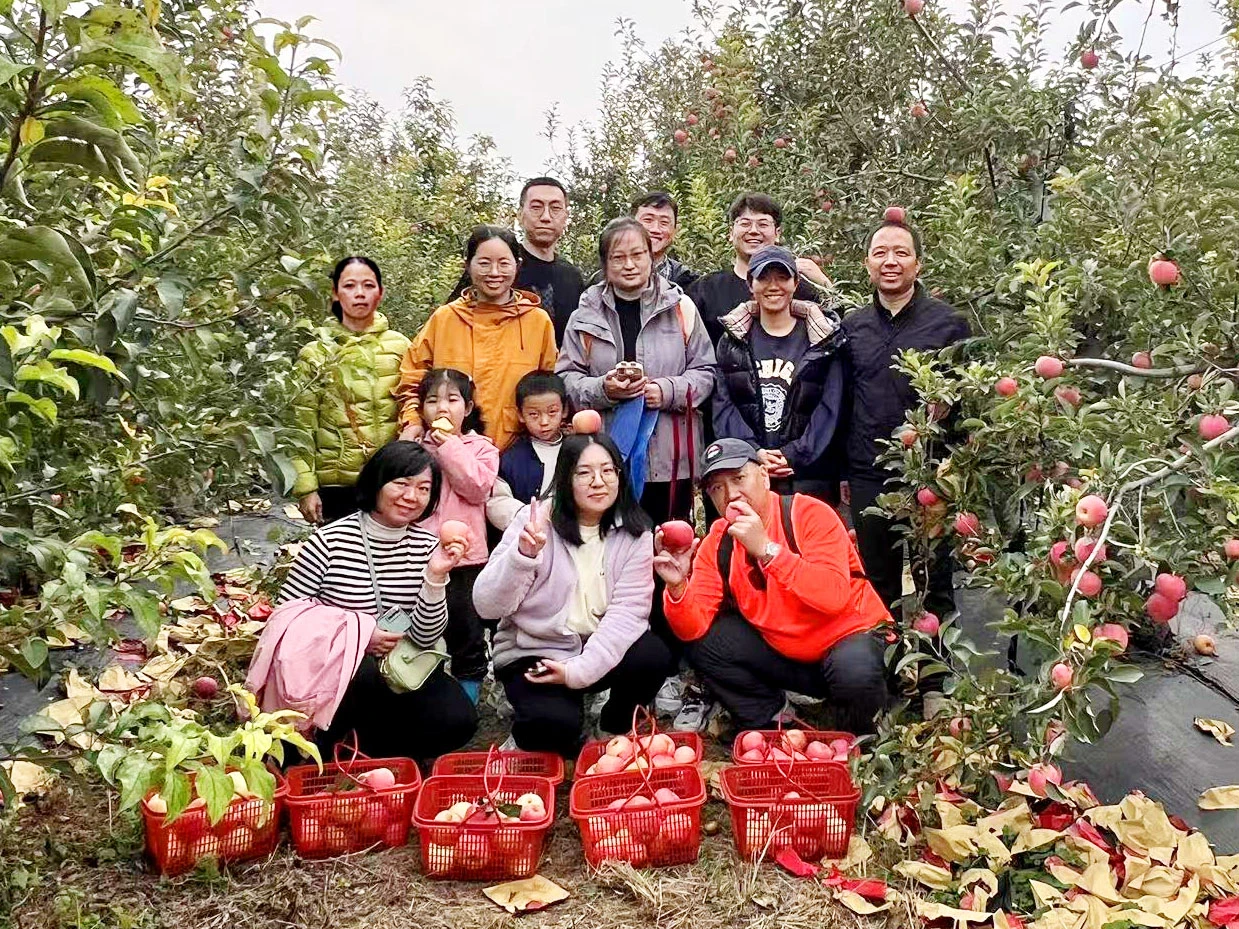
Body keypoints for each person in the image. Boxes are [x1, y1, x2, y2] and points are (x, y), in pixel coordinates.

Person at [652, 438, 891, 735]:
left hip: (848, 638)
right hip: (789, 654)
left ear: (764, 476)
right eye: (717, 487)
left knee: (854, 672)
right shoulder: (719, 539)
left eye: (739, 478)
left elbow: (834, 597)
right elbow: (693, 628)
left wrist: (767, 550)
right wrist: (677, 588)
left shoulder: (808, 514)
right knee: (707, 643)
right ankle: (771, 718)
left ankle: (861, 740)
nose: (731, 494)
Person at [274, 441, 478, 759]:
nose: (411, 496)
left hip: (399, 668)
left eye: (423, 488)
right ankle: (329, 751)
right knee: (362, 674)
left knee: (457, 718)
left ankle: (378, 757)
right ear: (377, 482)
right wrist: (357, 636)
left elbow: (425, 637)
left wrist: (436, 578)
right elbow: (286, 620)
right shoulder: (328, 542)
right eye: (401, 483)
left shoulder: (427, 547)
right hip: (335, 675)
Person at [474, 433, 671, 756]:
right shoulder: (535, 522)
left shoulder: (635, 534)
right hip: (536, 651)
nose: (598, 482)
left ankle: (611, 725)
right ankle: (528, 725)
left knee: (652, 655)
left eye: (608, 471)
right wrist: (523, 556)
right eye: (584, 472)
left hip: (595, 649)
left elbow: (627, 614)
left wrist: (578, 672)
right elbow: (488, 605)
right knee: (553, 728)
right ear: (565, 477)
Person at [841, 218, 970, 620]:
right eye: (881, 253)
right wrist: (844, 472)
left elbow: (965, 404)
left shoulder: (949, 324)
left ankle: (935, 676)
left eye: (901, 253)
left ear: (918, 264)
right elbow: (844, 402)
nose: (890, 261)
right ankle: (889, 676)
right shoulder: (852, 327)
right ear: (867, 264)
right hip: (869, 473)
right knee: (878, 582)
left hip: (930, 475)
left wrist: (955, 467)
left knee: (934, 578)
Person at [557, 217, 715, 527]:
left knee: (667, 548)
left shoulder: (680, 309)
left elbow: (706, 372)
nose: (629, 264)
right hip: (605, 460)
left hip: (671, 461)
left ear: (651, 256)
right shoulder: (584, 315)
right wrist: (605, 389)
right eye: (618, 257)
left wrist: (666, 391)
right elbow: (566, 379)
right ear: (605, 263)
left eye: (638, 254)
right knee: (609, 549)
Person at [397, 225, 557, 452]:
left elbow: (550, 386)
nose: (494, 272)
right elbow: (413, 377)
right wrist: (412, 420)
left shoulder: (537, 322)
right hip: (449, 451)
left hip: (516, 453)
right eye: (484, 263)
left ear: (517, 266)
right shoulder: (446, 319)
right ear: (468, 266)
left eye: (503, 263)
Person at [713, 245, 846, 504]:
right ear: (750, 284)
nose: (773, 285)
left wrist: (794, 454)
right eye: (764, 277)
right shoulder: (732, 341)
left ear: (796, 283)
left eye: (782, 277)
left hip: (810, 476)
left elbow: (830, 408)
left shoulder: (822, 341)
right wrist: (753, 451)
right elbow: (723, 406)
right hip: (750, 473)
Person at [291, 257, 411, 525]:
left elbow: (414, 408)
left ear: (380, 292)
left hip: (391, 482)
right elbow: (300, 426)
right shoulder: (316, 353)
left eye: (368, 285)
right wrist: (305, 488)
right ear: (336, 292)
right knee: (344, 563)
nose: (359, 294)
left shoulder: (401, 347)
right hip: (337, 487)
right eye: (349, 286)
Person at [412, 369, 499, 705]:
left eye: (452, 400)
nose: (442, 408)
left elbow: (477, 487)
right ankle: (423, 694)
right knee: (422, 628)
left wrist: (450, 446)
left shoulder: (482, 449)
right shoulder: (415, 449)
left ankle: (467, 702)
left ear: (468, 407)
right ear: (422, 409)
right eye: (432, 401)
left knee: (466, 631)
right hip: (419, 552)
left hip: (467, 557)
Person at [446, 178, 585, 345]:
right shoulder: (498, 269)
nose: (546, 217)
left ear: (565, 217)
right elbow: (452, 323)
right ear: (520, 215)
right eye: (536, 207)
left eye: (555, 208)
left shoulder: (572, 277)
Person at [688, 192, 831, 346]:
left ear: (777, 233)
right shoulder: (706, 289)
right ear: (731, 233)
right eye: (745, 223)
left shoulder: (799, 289)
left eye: (763, 224)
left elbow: (835, 334)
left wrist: (825, 284)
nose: (754, 231)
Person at [486, 371, 568, 533]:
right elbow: (497, 501)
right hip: (528, 535)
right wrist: (526, 517)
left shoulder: (578, 448)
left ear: (564, 410)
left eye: (552, 412)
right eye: (534, 414)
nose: (544, 422)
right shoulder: (511, 458)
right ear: (520, 415)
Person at [587, 192, 698, 290]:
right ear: (631, 224)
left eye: (664, 222)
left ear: (675, 230)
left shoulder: (689, 283)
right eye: (648, 220)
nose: (655, 229)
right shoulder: (601, 282)